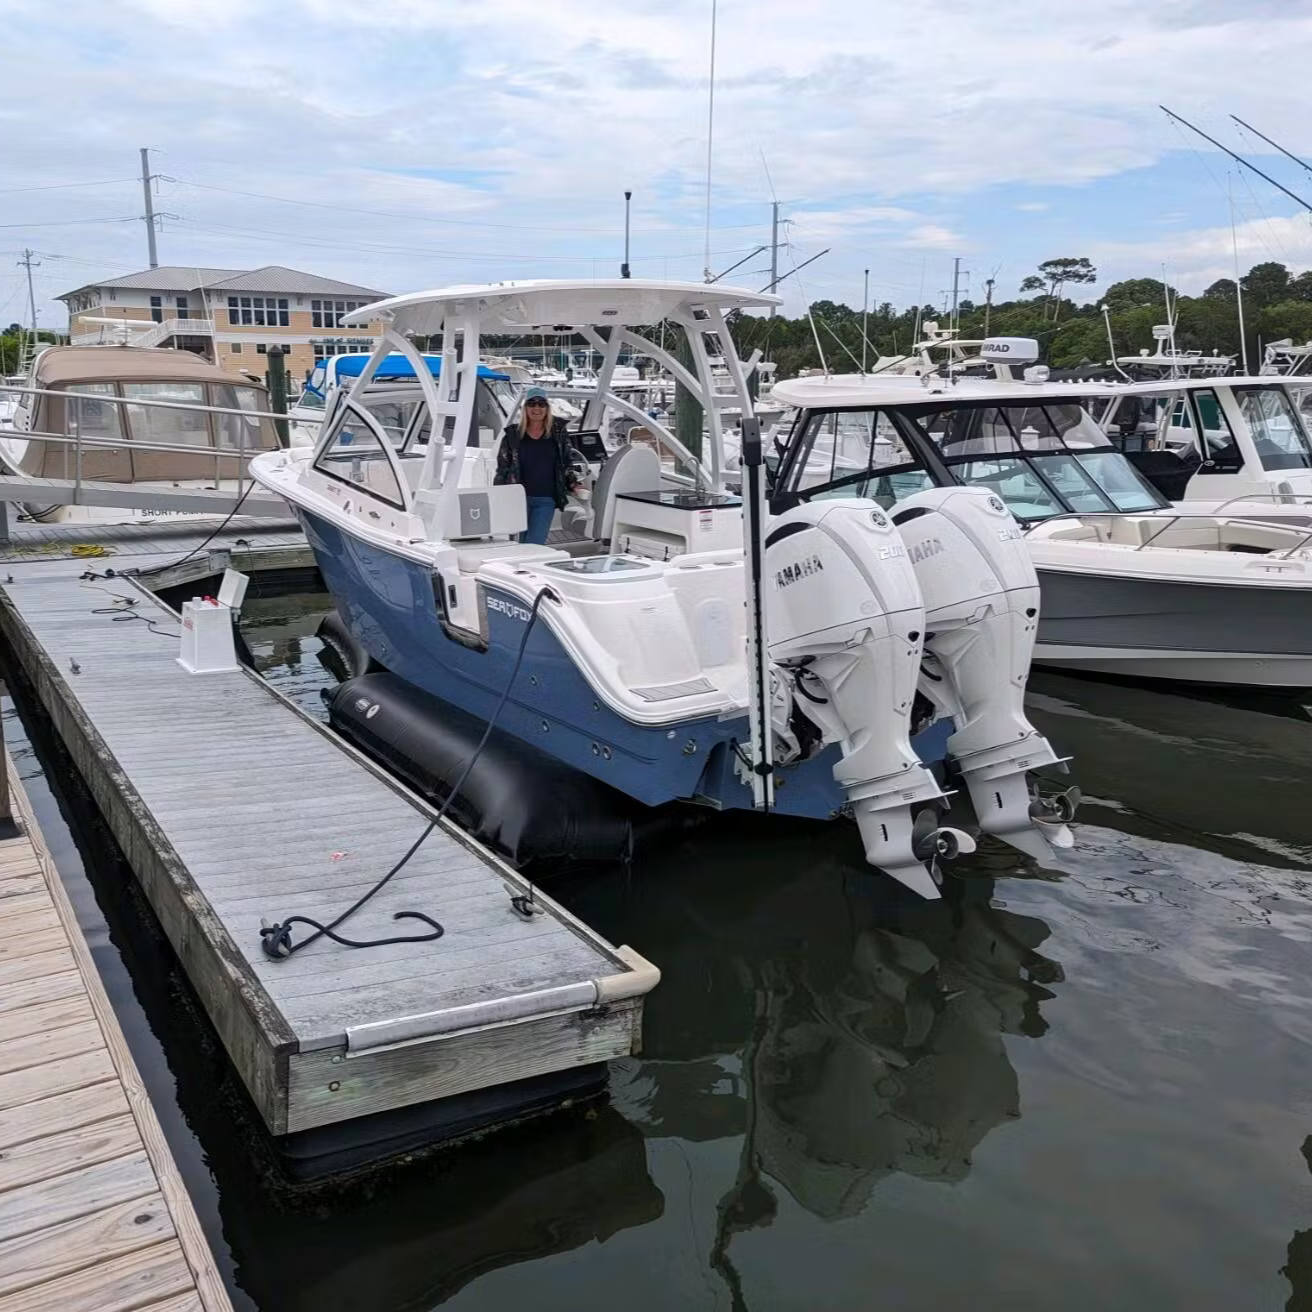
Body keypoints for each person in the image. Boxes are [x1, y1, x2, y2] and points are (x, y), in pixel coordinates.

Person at [494, 388, 580, 545]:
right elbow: (503, 469)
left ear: (547, 408)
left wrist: (574, 484)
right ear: (525, 408)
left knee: (535, 544)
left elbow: (566, 462)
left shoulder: (558, 433)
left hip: (546, 498)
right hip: (518, 498)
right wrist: (499, 495)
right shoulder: (512, 435)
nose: (537, 408)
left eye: (541, 404)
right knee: (519, 544)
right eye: (532, 404)